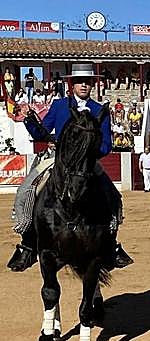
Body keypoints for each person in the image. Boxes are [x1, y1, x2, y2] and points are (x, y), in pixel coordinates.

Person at [8, 63, 132, 272]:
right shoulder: (59, 106)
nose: (84, 85)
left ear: (93, 84)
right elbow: (41, 133)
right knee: (25, 191)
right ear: (71, 84)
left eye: (88, 81)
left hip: (87, 163)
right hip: (56, 159)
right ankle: (28, 243)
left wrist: (87, 152)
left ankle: (111, 245)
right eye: (79, 81)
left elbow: (106, 145)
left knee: (113, 196)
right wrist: (27, 119)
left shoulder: (99, 110)